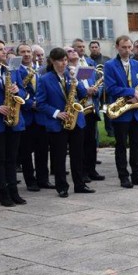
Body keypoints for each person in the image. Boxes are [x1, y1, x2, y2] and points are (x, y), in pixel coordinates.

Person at [36, 47, 95, 197]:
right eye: (60, 61)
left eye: (65, 60)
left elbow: (82, 94)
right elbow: (40, 103)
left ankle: (80, 184)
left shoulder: (71, 75)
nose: (64, 63)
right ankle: (61, 186)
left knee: (77, 154)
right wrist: (57, 113)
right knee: (59, 156)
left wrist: (77, 80)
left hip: (76, 120)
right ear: (52, 62)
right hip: (58, 123)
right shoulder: (44, 79)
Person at [103, 35, 138, 188]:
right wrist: (131, 92)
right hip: (121, 112)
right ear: (117, 47)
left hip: (136, 111)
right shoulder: (110, 65)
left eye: (129, 47)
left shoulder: (136, 64)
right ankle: (123, 176)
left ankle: (136, 174)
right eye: (124, 47)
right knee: (121, 145)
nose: (127, 50)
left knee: (137, 144)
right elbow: (110, 88)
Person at [0, 39, 27, 206]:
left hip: (13, 119)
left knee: (12, 158)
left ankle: (14, 192)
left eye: (4, 49)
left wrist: (18, 91)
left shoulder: (11, 69)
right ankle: (3, 194)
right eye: (0, 49)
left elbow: (23, 93)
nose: (4, 52)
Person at [16, 44, 52, 192]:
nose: (26, 54)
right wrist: (31, 104)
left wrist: (41, 104)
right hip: (26, 116)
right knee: (25, 152)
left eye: (28, 51)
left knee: (42, 151)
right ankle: (30, 181)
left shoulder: (38, 70)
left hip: (41, 117)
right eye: (22, 52)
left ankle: (43, 179)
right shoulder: (15, 72)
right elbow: (16, 91)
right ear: (18, 55)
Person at [66, 46, 104, 183]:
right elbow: (75, 90)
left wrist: (95, 91)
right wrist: (85, 91)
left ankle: (91, 170)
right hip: (78, 110)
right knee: (80, 144)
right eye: (69, 51)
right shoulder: (66, 72)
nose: (73, 51)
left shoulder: (85, 68)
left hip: (90, 108)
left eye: (73, 50)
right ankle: (82, 173)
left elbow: (95, 85)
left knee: (91, 142)